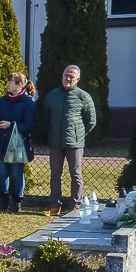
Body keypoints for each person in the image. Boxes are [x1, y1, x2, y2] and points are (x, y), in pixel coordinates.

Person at [40, 65, 96, 216]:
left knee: (76, 175)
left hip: (75, 144)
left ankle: (76, 205)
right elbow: (47, 117)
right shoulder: (52, 96)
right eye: (66, 75)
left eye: (72, 76)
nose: (68, 79)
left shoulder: (84, 97)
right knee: (55, 174)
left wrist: (79, 134)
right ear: (62, 76)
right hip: (55, 143)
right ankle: (54, 206)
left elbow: (91, 121)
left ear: (78, 79)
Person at [0, 73, 36, 214]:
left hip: (17, 143)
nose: (8, 85)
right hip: (2, 141)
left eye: (11, 82)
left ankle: (17, 201)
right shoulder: (4, 100)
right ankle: (3, 200)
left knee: (17, 173)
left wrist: (11, 125)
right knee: (1, 172)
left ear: (19, 85)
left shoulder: (28, 103)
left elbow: (28, 125)